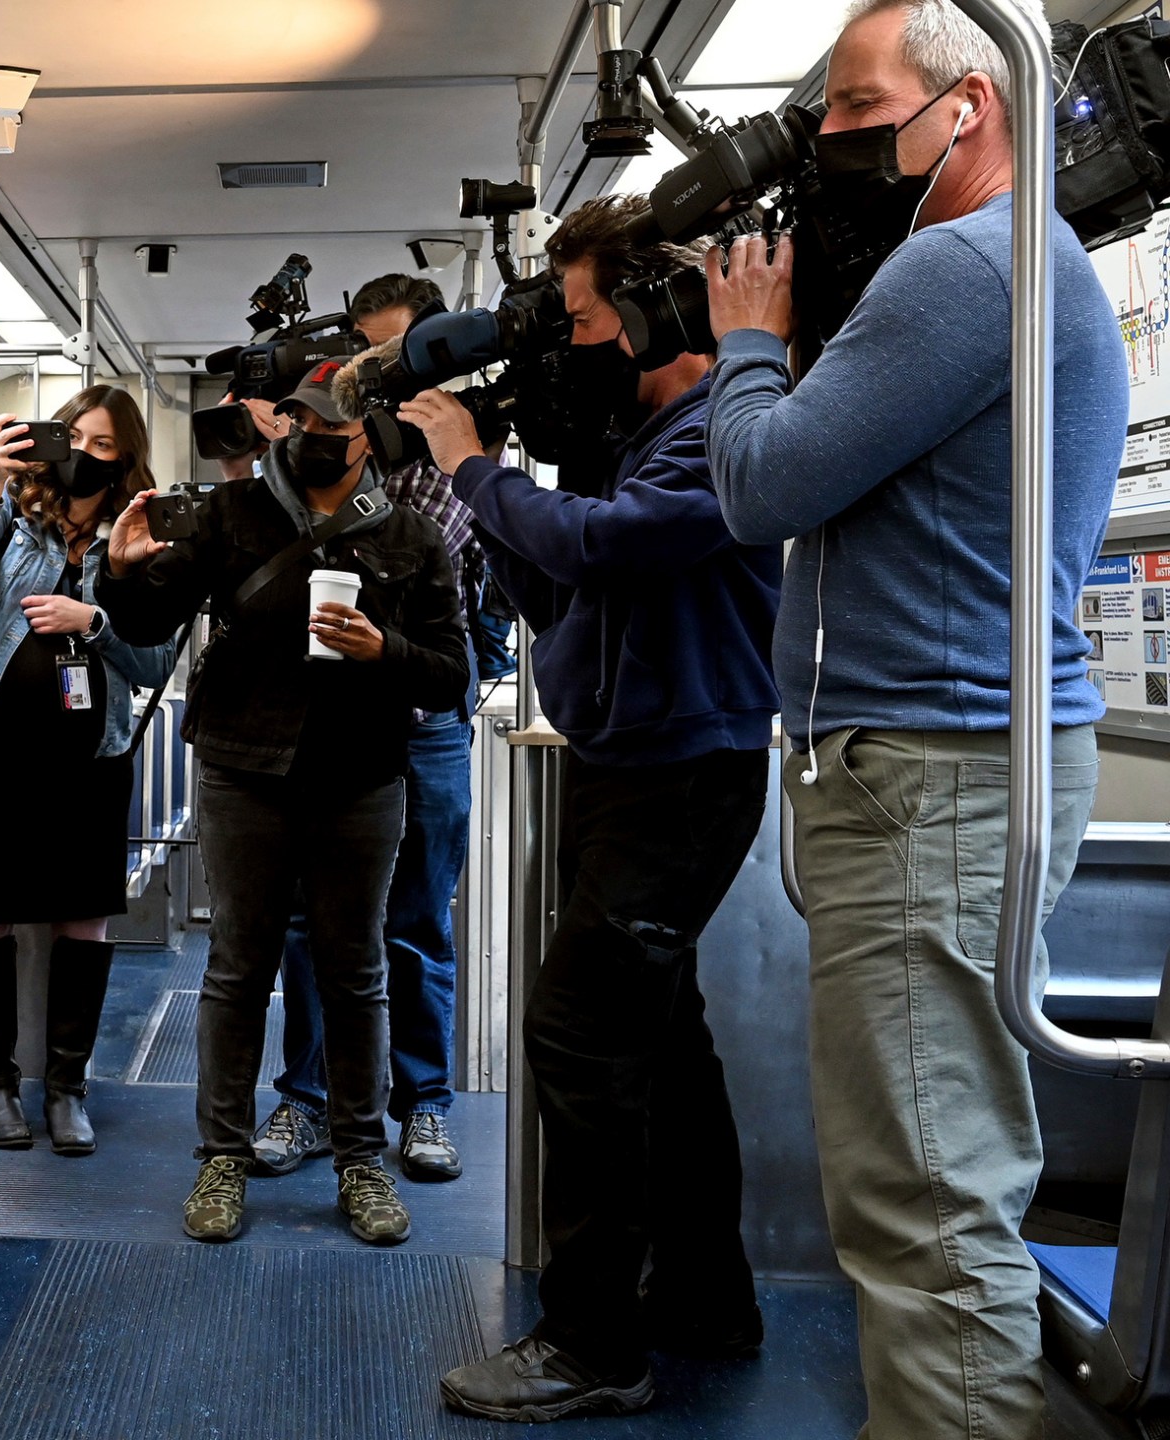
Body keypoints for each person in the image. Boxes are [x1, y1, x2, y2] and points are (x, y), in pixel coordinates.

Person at [706, 3, 1126, 1434]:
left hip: (934, 776)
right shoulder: (987, 264)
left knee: (928, 1202)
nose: (828, 141)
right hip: (935, 766)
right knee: (924, 1182)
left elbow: (763, 486)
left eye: (855, 107)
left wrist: (750, 341)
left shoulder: (964, 267)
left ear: (972, 104)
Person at [413, 196, 783, 1422]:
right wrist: (485, 498)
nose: (571, 343)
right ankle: (702, 1298)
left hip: (680, 775)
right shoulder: (638, 442)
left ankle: (590, 1342)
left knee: (578, 1030)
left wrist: (473, 462)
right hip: (629, 762)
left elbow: (613, 547)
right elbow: (562, 585)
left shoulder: (715, 435)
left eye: (580, 318)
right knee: (663, 1039)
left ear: (650, 313)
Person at [97, 379, 469, 1247]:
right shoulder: (231, 515)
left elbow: (449, 671)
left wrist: (387, 652)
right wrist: (120, 573)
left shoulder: (410, 537)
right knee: (237, 969)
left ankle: (360, 1160)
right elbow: (153, 622)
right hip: (240, 767)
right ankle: (221, 1157)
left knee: (356, 972)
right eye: (299, 418)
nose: (310, 434)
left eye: (330, 422)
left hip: (362, 774)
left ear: (366, 438)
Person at [257, 325, 490, 1189]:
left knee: (418, 919)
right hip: (327, 730)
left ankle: (422, 1099)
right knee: (308, 926)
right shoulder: (303, 467)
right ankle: (310, 1097)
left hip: (421, 722)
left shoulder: (439, 474)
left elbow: (433, 592)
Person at [0, 385, 181, 1157]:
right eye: (73, 435)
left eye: (102, 443)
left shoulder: (136, 536)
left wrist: (95, 618)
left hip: (91, 759)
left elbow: (155, 658)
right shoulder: (12, 515)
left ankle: (68, 1088)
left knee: (85, 916)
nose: (83, 452)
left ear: (125, 456)